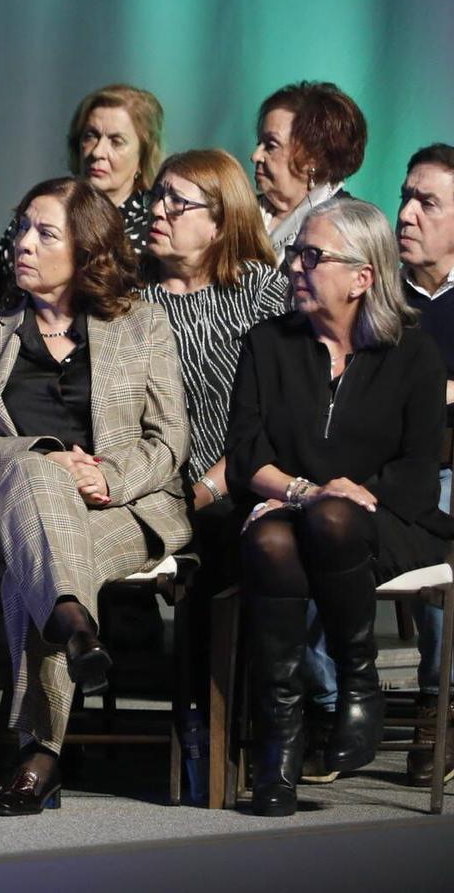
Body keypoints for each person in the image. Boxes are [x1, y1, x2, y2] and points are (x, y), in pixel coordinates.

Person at [0, 177, 189, 816]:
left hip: (121, 508)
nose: (22, 244)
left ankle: (39, 752)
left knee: (42, 566)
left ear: (87, 252)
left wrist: (107, 477)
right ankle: (75, 628)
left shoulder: (142, 326)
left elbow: (169, 444)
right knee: (37, 478)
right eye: (22, 227)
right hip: (4, 505)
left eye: (44, 233)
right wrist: (43, 456)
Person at [226, 197, 452, 816]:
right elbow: (247, 454)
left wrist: (347, 497)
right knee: (274, 540)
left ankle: (358, 677)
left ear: (362, 277)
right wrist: (302, 491)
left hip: (390, 524)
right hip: (290, 513)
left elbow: (415, 473)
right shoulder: (268, 343)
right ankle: (281, 743)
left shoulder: (413, 355)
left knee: (331, 522)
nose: (295, 266)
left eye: (312, 255)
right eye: (294, 253)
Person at [136, 149, 290, 727]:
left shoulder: (261, 295)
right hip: (152, 482)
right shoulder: (130, 298)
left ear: (222, 220)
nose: (160, 209)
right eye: (158, 195)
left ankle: (235, 729)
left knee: (234, 534)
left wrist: (208, 483)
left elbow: (275, 414)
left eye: (179, 201)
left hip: (242, 477)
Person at [0, 84, 163, 315]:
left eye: (116, 141)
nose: (98, 152)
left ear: (143, 155)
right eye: (91, 136)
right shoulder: (42, 209)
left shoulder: (154, 226)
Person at [398, 144, 454, 785]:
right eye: (406, 197)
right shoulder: (377, 291)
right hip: (379, 468)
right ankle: (328, 704)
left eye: (427, 202)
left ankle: (436, 706)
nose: (407, 213)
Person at [252, 81, 368, 257]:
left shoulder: (351, 229)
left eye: (271, 145)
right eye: (258, 143)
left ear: (313, 159)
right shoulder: (236, 214)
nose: (255, 156)